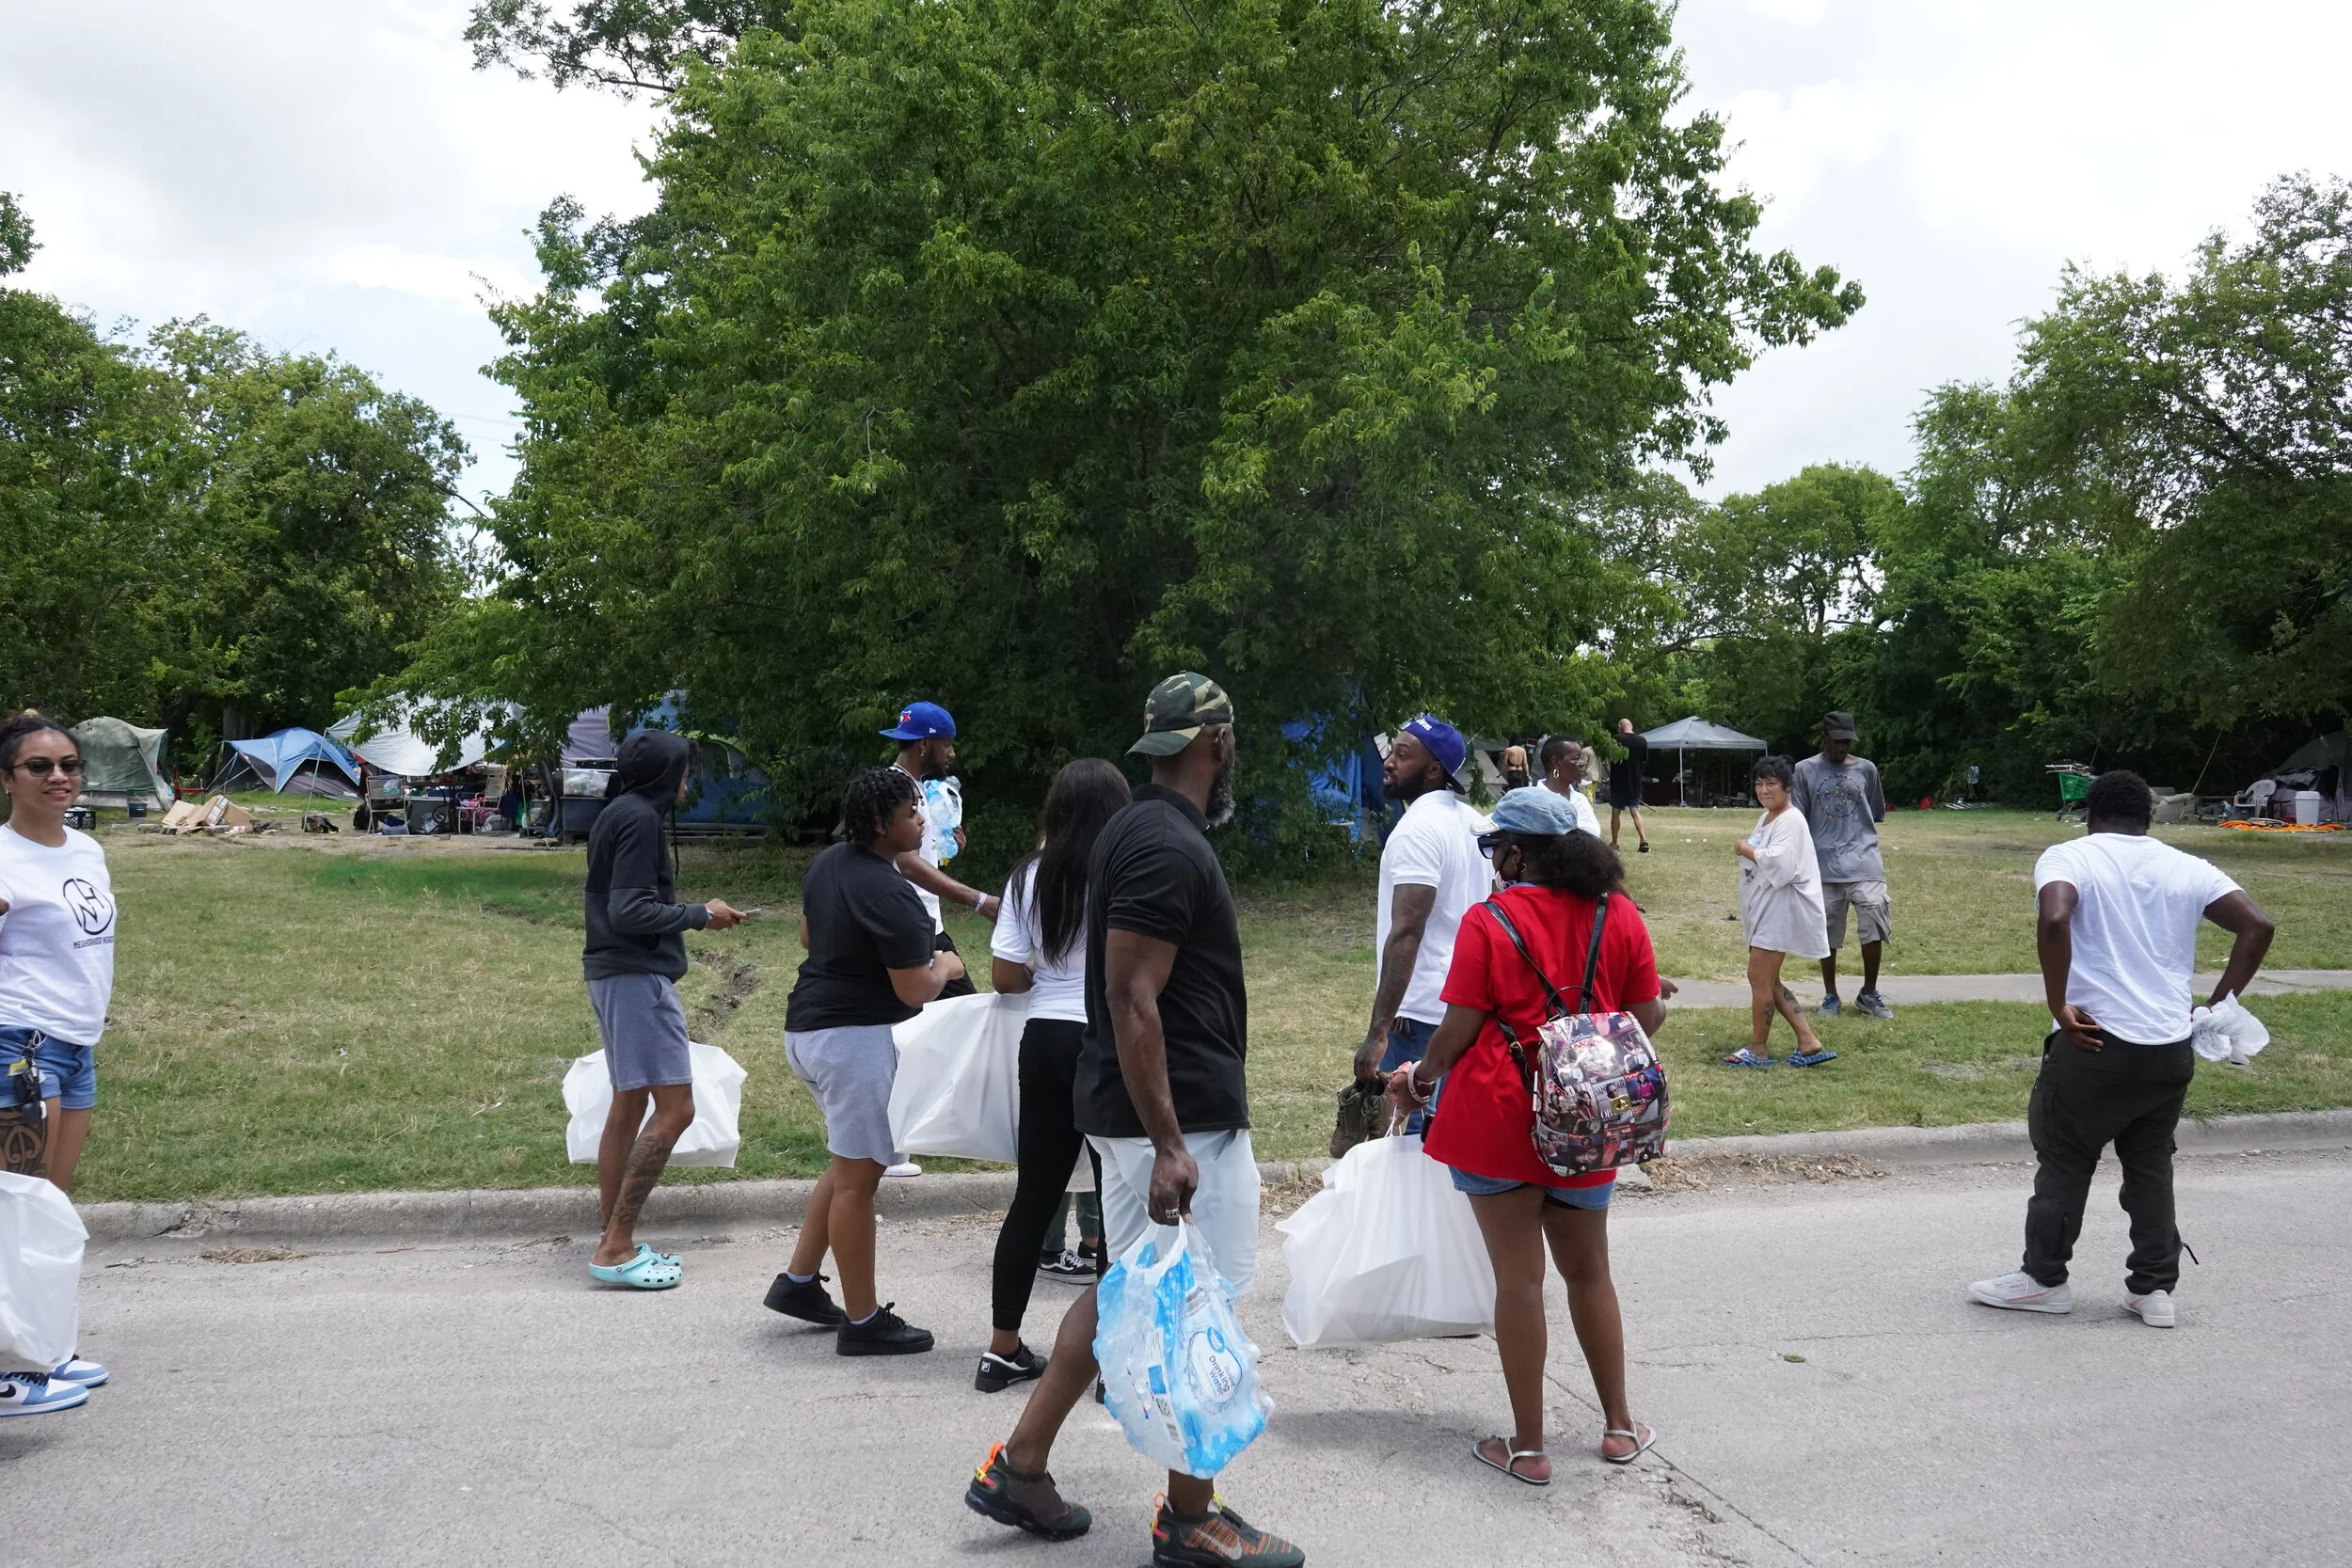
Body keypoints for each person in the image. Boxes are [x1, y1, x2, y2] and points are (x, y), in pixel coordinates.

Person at [966, 673, 1304, 1568]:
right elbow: (1129, 991)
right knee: (1202, 1304)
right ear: (1216, 744)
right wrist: (1168, 1143)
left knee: (1133, 1292)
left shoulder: (1140, 828)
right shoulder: (1161, 843)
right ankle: (1191, 1521)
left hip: (1152, 1113)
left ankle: (1021, 1466)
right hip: (1174, 1121)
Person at [1387, 785, 1661, 1480]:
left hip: (1498, 1116)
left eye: (1494, 847)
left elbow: (1454, 1034)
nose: (1493, 860)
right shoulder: (1617, 912)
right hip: (1586, 1121)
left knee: (1519, 1280)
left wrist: (1417, 1079)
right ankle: (1620, 1426)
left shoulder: (1490, 920)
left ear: (1516, 850)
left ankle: (1531, 1447)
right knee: (1590, 1271)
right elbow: (1646, 1015)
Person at [1970, 770, 2273, 1328]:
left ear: (2090, 813)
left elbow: (2056, 916)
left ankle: (2044, 1280)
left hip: (2096, 1043)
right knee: (2151, 1166)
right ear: (2149, 817)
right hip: (2168, 1048)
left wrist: (2058, 1002)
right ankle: (2153, 1290)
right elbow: (2256, 926)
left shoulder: (2069, 857)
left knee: (2065, 1158)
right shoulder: (2187, 866)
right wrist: (2213, 1007)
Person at [766, 768, 967, 1354]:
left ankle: (799, 1283)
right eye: (912, 812)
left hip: (807, 1032)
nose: (922, 820)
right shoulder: (891, 893)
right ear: (883, 823)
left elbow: (809, 936)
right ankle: (862, 1322)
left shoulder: (829, 863)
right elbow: (915, 990)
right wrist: (948, 967)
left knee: (848, 1164)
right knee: (859, 1182)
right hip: (852, 1042)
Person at [977, 757, 1130, 1393]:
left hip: (1041, 1038)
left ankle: (1001, 1348)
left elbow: (1006, 975)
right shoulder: (1122, 871)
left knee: (1032, 1197)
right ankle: (1107, 1359)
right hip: (1103, 1036)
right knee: (1115, 1202)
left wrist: (1049, 973)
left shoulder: (1028, 876)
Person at [582, 731, 749, 1289]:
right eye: (683, 771)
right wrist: (701, 914)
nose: (687, 781)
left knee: (628, 1106)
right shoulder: (642, 821)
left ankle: (614, 1236)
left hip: (611, 972)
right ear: (666, 776)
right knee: (676, 1109)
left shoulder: (616, 812)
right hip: (636, 977)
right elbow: (631, 910)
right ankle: (614, 1250)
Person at [0, 713, 114, 1415]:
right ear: (7, 778)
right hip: (20, 1049)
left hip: (76, 1049)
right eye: (38, 766)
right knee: (12, 1212)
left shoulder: (87, 849)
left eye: (68, 763)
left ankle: (43, 1351)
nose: (58, 776)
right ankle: (8, 1372)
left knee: (46, 1211)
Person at [1355, 718, 1487, 1142]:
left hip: (1420, 1017)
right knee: (1451, 1144)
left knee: (1406, 1152)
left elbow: (1407, 931)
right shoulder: (1475, 823)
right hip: (1466, 1006)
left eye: (1403, 755)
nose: (1389, 763)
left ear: (1434, 771)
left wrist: (1377, 1032)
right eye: (1391, 752)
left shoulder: (1416, 831)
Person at [1727, 756, 1835, 1068]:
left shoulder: (1791, 820)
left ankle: (1758, 1049)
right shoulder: (1768, 818)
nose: (1764, 789)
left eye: (1771, 783)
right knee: (1770, 981)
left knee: (1758, 976)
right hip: (1767, 908)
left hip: (1781, 910)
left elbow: (1782, 865)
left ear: (1787, 787)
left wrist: (1745, 848)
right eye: (1759, 784)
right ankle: (1807, 1040)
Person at [1791, 712, 1893, 1020]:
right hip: (1823, 865)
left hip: (1864, 860)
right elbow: (1799, 818)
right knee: (1827, 931)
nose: (1843, 748)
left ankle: (1869, 993)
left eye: (1848, 741)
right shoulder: (1804, 770)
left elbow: (1874, 812)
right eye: (1838, 742)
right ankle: (1830, 995)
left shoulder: (1866, 769)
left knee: (1874, 914)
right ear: (1825, 738)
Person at [1537, 735, 1602, 838]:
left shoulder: (1581, 799)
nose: (1582, 763)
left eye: (1581, 758)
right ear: (1555, 762)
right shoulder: (1534, 801)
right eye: (1576, 758)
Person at [1607, 719, 1651, 853]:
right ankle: (1643, 840)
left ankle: (1614, 843)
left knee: (1616, 812)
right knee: (1635, 811)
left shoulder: (1616, 739)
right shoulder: (1642, 741)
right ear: (1631, 726)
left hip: (1619, 781)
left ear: (1620, 727)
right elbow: (1644, 760)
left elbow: (1611, 759)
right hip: (1635, 781)